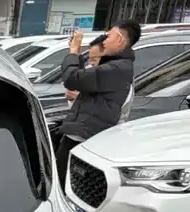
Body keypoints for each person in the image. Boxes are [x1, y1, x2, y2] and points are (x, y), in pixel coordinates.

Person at [55, 20, 141, 190]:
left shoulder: (117, 68)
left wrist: (74, 51)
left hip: (85, 137)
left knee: (64, 185)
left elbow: (72, 79)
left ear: (120, 39)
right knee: (64, 182)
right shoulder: (115, 65)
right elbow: (84, 79)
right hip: (82, 133)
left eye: (108, 36)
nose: (105, 41)